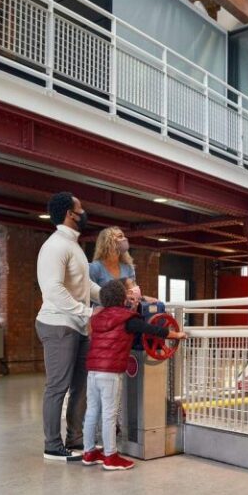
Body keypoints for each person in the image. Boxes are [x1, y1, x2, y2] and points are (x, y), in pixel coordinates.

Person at [81, 280, 186, 470]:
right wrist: (176, 335)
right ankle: (111, 456)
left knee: (92, 411)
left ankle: (89, 452)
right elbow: (152, 330)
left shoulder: (97, 318)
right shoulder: (127, 319)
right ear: (123, 298)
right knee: (109, 414)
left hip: (93, 370)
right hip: (111, 372)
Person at [35, 192, 100, 462]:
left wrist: (111, 296)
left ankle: (75, 439)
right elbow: (53, 289)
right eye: (80, 208)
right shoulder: (55, 246)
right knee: (57, 387)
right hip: (58, 324)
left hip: (79, 325)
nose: (84, 212)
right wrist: (87, 312)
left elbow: (85, 285)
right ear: (69, 214)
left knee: (80, 387)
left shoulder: (74, 245)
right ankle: (52, 445)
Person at [89, 227, 158, 303]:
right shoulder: (95, 267)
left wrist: (144, 299)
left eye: (124, 236)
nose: (125, 239)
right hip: (102, 309)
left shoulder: (128, 267)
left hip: (125, 309)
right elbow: (90, 294)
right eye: (120, 236)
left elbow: (134, 294)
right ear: (108, 241)